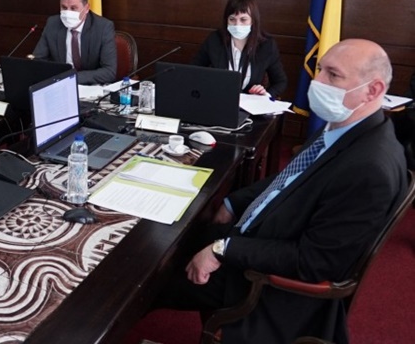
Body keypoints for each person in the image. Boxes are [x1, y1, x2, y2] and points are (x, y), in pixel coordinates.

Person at [155, 39, 408, 343]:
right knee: (166, 233)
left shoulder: (368, 170)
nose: (317, 81)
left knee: (145, 274)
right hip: (259, 236)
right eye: (320, 70)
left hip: (260, 282)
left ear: (373, 90)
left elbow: (315, 261)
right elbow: (288, 180)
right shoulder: (346, 126)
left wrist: (224, 249)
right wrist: (234, 202)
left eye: (333, 75)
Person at [191, 0, 288, 98]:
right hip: (218, 98)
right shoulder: (215, 40)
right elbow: (193, 71)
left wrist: (265, 95)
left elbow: (280, 81)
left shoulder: (267, 45)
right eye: (232, 19)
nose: (237, 25)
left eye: (243, 19)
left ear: (253, 21)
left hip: (250, 103)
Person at [32, 0, 117, 85]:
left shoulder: (103, 27)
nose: (68, 13)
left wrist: (71, 78)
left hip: (89, 87)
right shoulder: (53, 24)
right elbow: (38, 61)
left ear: (86, 8)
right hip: (59, 85)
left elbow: (109, 71)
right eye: (64, 8)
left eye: (73, 8)